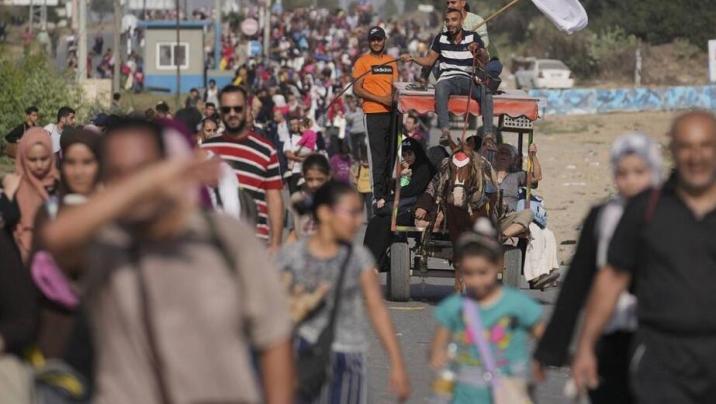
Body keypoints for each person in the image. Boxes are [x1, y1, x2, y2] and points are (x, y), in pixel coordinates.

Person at [40, 117, 294, 404]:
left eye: (143, 170)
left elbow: (273, 336)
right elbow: (55, 238)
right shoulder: (106, 245)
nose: (134, 183)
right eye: (118, 173)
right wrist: (143, 183)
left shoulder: (224, 238)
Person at [572, 111, 716, 404]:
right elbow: (612, 279)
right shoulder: (646, 209)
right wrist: (586, 346)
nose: (696, 157)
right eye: (686, 147)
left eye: (706, 146)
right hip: (660, 358)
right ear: (672, 150)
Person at [533, 133, 663, 404]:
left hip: (662, 339)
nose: (631, 181)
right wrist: (550, 350)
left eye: (639, 172)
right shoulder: (603, 217)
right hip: (610, 331)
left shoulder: (672, 215)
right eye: (622, 173)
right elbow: (576, 283)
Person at [276, 181, 410, 403]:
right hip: (301, 356)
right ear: (325, 213)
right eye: (352, 213)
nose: (358, 221)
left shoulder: (359, 259)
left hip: (348, 361)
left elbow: (377, 310)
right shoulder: (291, 258)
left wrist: (397, 364)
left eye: (360, 213)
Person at [430, 219, 544, 403]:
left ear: (498, 265)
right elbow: (437, 347)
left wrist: (541, 359)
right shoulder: (454, 307)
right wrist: (438, 355)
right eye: (469, 273)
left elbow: (543, 336)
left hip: (508, 394)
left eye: (483, 272)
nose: (476, 281)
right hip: (464, 396)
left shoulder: (517, 305)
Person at [30, 128, 101, 364]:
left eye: (87, 162)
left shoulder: (111, 212)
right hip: (56, 336)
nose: (78, 172)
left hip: (103, 338)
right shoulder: (49, 213)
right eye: (71, 163)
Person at [202, 85, 285, 249]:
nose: (232, 113)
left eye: (237, 108)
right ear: (220, 112)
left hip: (255, 244)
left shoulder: (266, 150)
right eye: (226, 109)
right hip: (216, 245)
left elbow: (274, 199)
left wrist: (276, 244)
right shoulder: (206, 150)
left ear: (247, 109)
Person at [401, 8, 493, 144]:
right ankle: (445, 131)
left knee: (487, 93)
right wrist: (413, 58)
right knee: (440, 88)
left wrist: (478, 51)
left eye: (454, 20)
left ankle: (488, 135)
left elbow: (485, 60)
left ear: (461, 21)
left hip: (467, 79)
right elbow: (429, 61)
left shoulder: (473, 37)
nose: (450, 24)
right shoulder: (440, 38)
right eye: (447, 21)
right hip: (447, 79)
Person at [364, 138, 435, 269]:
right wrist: (402, 176)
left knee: (386, 220)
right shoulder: (408, 168)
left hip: (417, 210)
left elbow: (411, 190)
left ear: (417, 153)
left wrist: (386, 199)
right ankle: (368, 260)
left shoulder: (424, 168)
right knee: (375, 221)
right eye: (404, 155)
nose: (407, 158)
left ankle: (375, 261)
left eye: (410, 154)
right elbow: (400, 188)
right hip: (404, 207)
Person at [353, 26, 399, 210]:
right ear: (369, 42)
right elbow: (357, 89)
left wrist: (393, 99)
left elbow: (395, 86)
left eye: (379, 39)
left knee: (392, 154)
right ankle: (377, 194)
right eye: (373, 40)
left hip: (392, 113)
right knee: (377, 156)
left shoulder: (391, 61)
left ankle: (388, 193)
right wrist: (381, 99)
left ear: (384, 40)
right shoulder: (362, 62)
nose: (376, 42)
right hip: (373, 113)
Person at [6, 127, 60, 262]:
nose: (39, 165)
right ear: (23, 158)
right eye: (32, 159)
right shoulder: (14, 186)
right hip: (20, 258)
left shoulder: (59, 185)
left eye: (44, 158)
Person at [493, 143, 541, 240]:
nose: (503, 155)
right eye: (501, 153)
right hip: (489, 215)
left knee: (528, 213)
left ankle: (501, 237)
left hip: (506, 218)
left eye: (507, 154)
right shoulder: (487, 173)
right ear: (495, 157)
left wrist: (533, 156)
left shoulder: (517, 175)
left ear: (513, 160)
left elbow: (537, 177)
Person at [287, 154, 331, 242]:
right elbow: (292, 232)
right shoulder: (296, 199)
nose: (315, 184)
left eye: (320, 179)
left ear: (328, 177)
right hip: (302, 248)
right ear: (303, 176)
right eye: (310, 179)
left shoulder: (335, 199)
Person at [351, 143, 373, 219]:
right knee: (360, 206)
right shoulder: (360, 167)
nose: (365, 162)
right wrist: (355, 183)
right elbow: (355, 176)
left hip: (369, 190)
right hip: (360, 190)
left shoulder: (371, 168)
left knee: (369, 206)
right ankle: (358, 218)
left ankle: (370, 219)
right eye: (364, 161)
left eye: (366, 161)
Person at [344, 95, 366, 161]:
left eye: (353, 103)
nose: (352, 105)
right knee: (354, 148)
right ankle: (357, 160)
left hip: (361, 131)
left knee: (363, 144)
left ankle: (364, 159)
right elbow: (349, 120)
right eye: (350, 104)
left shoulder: (360, 110)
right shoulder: (347, 114)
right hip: (353, 132)